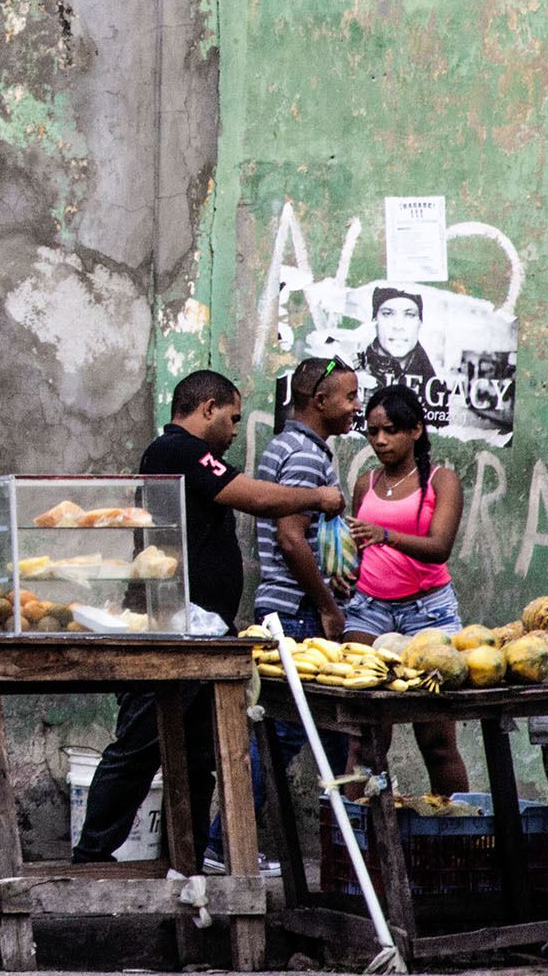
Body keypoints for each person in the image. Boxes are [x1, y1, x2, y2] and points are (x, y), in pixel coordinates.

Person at [74, 370, 345, 863]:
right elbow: (256, 498)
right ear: (207, 409)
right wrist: (317, 497)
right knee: (139, 745)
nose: (237, 429)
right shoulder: (175, 450)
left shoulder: (191, 457)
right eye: (233, 417)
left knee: (198, 759)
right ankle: (91, 856)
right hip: (167, 629)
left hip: (200, 632)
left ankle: (190, 858)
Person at [205, 356, 358, 869]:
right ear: (320, 401)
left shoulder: (298, 448)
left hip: (289, 609)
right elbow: (292, 539)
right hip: (295, 614)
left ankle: (337, 842)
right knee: (279, 735)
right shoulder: (302, 456)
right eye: (350, 397)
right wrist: (328, 607)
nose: (356, 406)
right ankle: (226, 844)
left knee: (305, 733)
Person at [341, 382, 469, 794]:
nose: (380, 440)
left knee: (435, 740)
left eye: (390, 430)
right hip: (368, 610)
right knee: (365, 738)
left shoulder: (440, 480)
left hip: (428, 613)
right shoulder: (366, 482)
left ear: (415, 430)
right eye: (372, 431)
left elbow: (439, 547)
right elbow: (357, 545)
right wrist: (343, 572)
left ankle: (454, 835)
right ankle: (354, 845)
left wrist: (385, 535)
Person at [361, 287, 447, 427]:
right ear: (374, 319)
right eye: (388, 314)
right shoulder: (355, 370)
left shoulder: (435, 389)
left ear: (420, 322)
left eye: (409, 315)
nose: (399, 326)